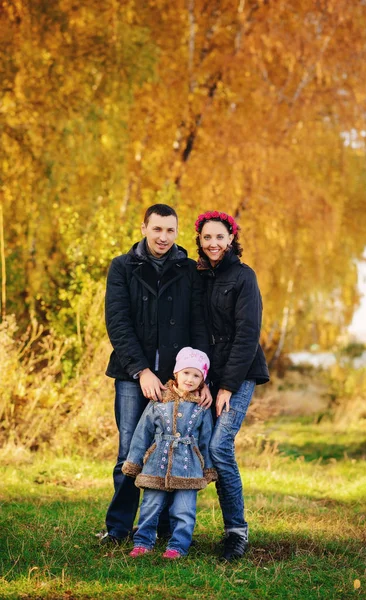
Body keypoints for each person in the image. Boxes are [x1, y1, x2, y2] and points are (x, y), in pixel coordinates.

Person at [100, 204, 210, 546]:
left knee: (174, 449)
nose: (163, 237)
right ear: (144, 227)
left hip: (179, 379)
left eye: (170, 230)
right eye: (157, 229)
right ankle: (118, 528)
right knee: (129, 452)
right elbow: (117, 322)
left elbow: (199, 325)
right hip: (134, 374)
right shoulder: (122, 267)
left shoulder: (190, 270)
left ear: (177, 233)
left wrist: (203, 377)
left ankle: (160, 528)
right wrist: (141, 370)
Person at [194, 210, 269, 561]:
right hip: (210, 374)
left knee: (220, 445)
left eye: (219, 237)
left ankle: (236, 532)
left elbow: (247, 335)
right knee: (203, 446)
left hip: (240, 372)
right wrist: (205, 379)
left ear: (231, 239)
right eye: (207, 237)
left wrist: (225, 386)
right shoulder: (198, 277)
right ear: (200, 239)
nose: (213, 244)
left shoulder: (243, 277)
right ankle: (172, 525)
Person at [121, 347, 217, 559]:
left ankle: (178, 546)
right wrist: (134, 462)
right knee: (150, 505)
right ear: (176, 373)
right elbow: (142, 432)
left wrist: (208, 468)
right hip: (156, 463)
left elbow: (206, 439)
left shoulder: (201, 406)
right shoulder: (160, 399)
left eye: (196, 375)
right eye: (186, 373)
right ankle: (143, 542)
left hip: (189, 467)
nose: (190, 379)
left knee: (184, 510)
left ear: (202, 380)